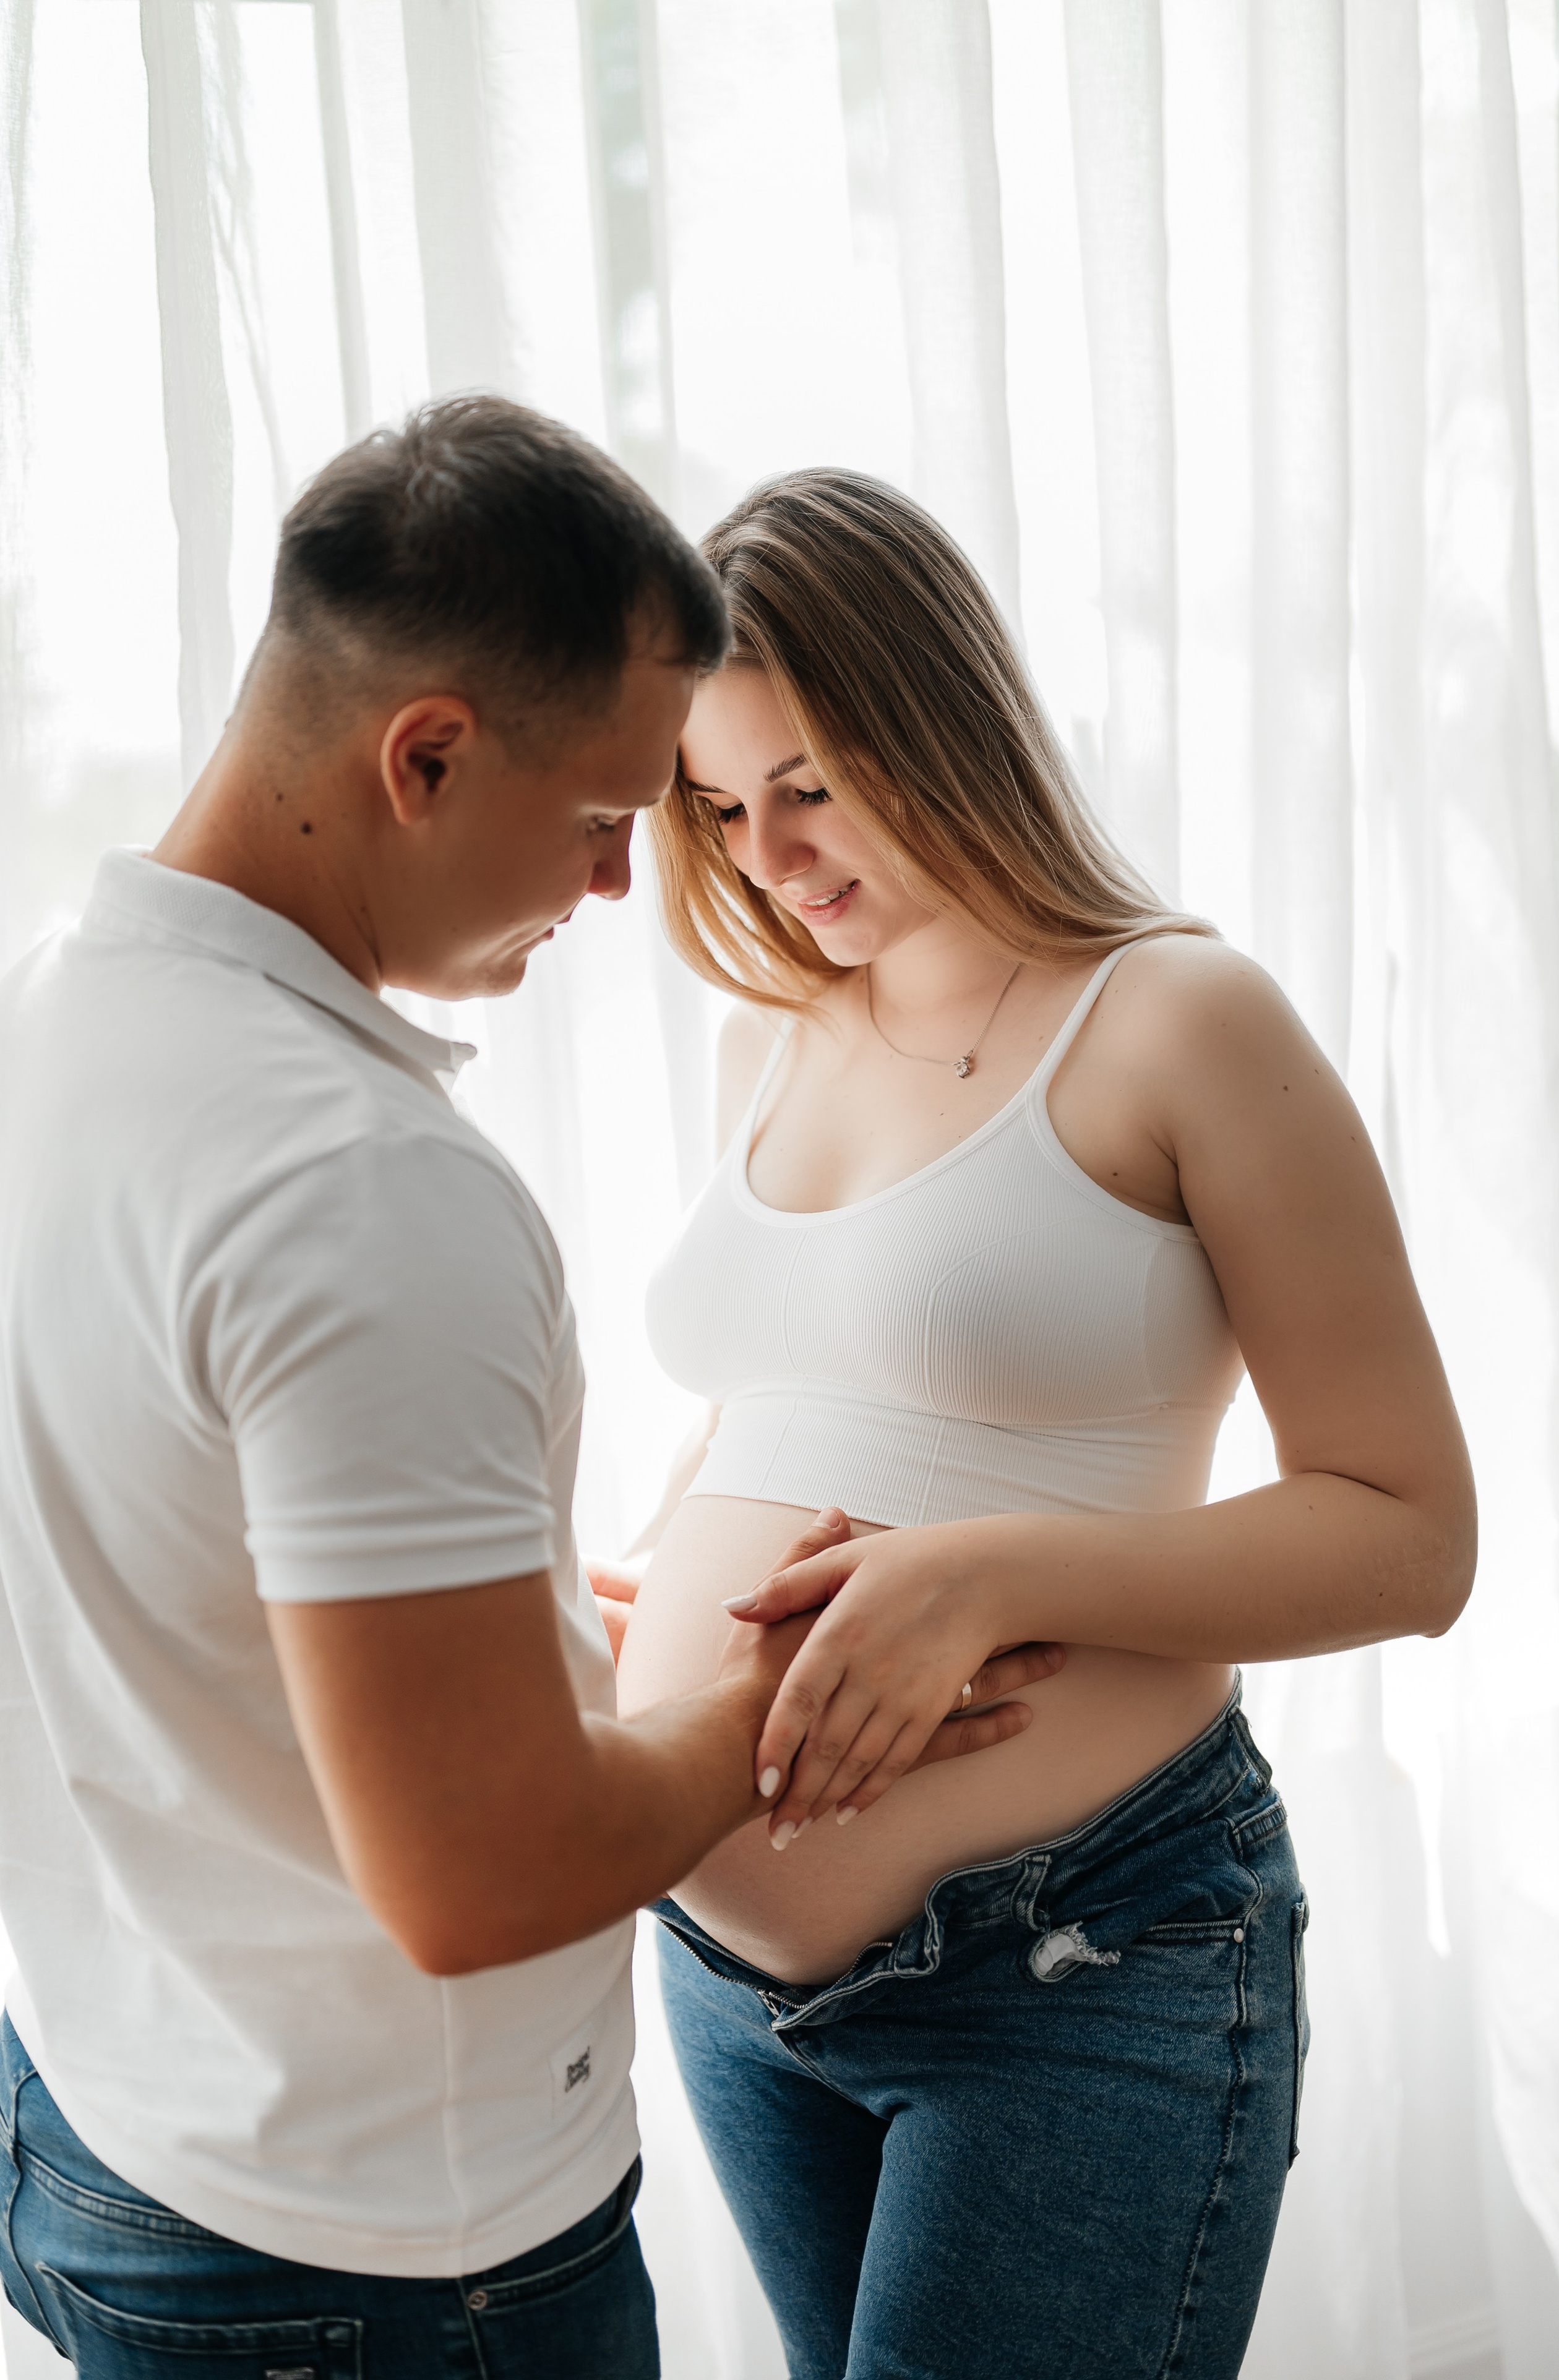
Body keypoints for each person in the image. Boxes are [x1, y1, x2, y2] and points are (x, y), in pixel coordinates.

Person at [0, 403, 1048, 2379]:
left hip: (113, 2122)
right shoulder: (358, 1183)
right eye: (610, 818)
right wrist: (785, 1703)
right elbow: (479, 1879)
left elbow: (154, 1538)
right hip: (387, 2261)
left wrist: (528, 1631)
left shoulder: (56, 1021)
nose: (615, 892)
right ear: (425, 755)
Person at [606, 468, 1477, 2380]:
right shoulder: (776, 1032)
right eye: (716, 803)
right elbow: (811, 1383)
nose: (767, 854)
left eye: (811, 784)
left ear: (943, 714)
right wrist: (672, 1574)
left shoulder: (1178, 1022)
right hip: (733, 1987)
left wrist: (981, 1577)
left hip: (1075, 1959)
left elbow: (1414, 1535)